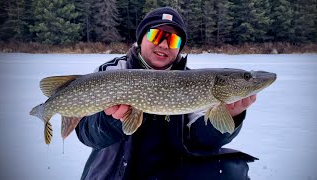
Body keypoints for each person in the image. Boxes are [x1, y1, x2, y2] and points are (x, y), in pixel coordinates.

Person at [76, 7, 258, 180]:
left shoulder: (192, 82)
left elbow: (203, 140)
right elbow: (86, 132)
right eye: (156, 35)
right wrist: (110, 121)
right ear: (141, 38)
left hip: (169, 169)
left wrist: (231, 115)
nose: (163, 44)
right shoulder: (113, 70)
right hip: (116, 170)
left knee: (231, 171)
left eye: (173, 40)